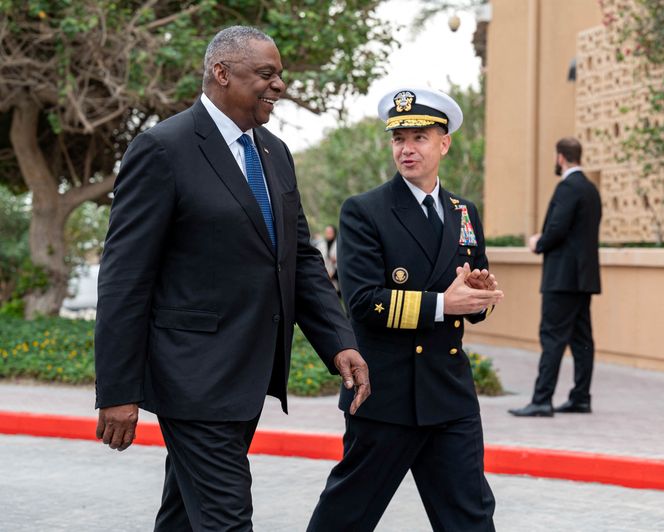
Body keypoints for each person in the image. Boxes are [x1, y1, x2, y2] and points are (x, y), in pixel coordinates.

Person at [93, 26, 370, 531]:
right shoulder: (162, 149)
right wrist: (117, 389)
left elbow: (298, 260)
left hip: (248, 373)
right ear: (222, 72)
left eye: (280, 74)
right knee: (226, 517)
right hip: (192, 377)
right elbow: (123, 280)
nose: (279, 85)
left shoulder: (276, 153)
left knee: (184, 514)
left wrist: (338, 341)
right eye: (266, 73)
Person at [307, 87, 503, 532]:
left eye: (419, 137)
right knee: (347, 515)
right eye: (399, 139)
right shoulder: (364, 211)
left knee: (470, 517)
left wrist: (479, 295)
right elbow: (361, 302)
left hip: (449, 393)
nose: (407, 148)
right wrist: (442, 303)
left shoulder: (463, 212)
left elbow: (470, 300)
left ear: (444, 142)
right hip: (387, 394)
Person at [509, 137, 602, 418]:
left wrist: (539, 242)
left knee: (551, 338)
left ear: (560, 157)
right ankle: (581, 397)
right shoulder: (590, 189)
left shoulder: (567, 187)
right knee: (582, 340)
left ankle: (542, 399)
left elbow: (558, 228)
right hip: (583, 279)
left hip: (561, 279)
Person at [315, 224, 339, 294]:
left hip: (336, 274)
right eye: (327, 232)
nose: (328, 234)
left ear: (334, 232)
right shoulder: (321, 244)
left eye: (330, 232)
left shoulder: (338, 244)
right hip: (324, 273)